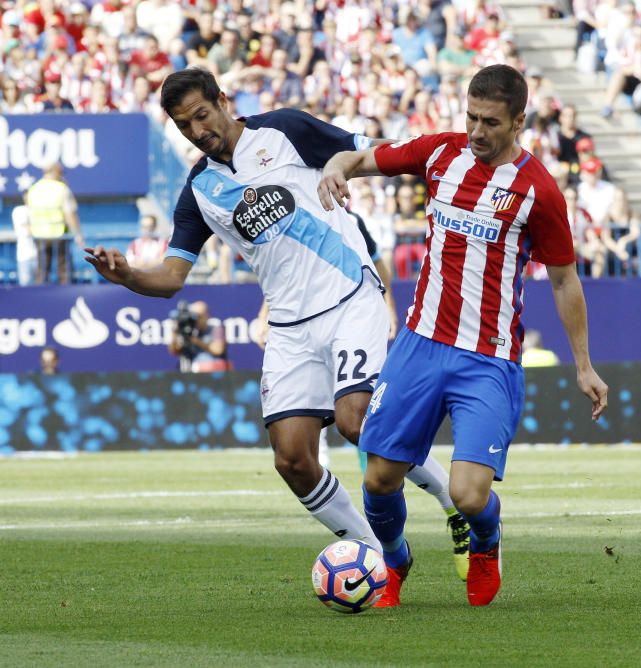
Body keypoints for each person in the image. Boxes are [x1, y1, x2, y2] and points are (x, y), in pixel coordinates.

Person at [84, 68, 470, 579]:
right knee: (292, 460)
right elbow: (172, 276)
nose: (197, 130)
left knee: (358, 422)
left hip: (349, 295)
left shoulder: (283, 129)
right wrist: (128, 274)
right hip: (289, 324)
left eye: (202, 115)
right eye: (184, 126)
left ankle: (453, 506)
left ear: (223, 101)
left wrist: (407, 165)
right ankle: (376, 552)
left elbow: (368, 149)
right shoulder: (199, 190)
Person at [318, 64, 608, 608]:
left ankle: (486, 540)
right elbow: (361, 158)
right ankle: (394, 561)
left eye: (490, 122)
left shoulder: (538, 191)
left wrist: (584, 365)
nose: (476, 131)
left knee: (468, 494)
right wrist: (338, 165)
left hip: (488, 359)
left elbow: (566, 280)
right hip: (419, 345)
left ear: (519, 120)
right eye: (471, 117)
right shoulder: (439, 153)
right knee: (379, 479)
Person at [26, 163, 83, 285]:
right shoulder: (61, 189)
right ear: (57, 172)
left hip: (39, 235)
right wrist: (78, 234)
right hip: (59, 234)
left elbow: (29, 213)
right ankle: (66, 297)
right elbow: (69, 214)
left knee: (42, 270)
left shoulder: (34, 189)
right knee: (64, 269)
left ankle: (39, 297)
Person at [169, 299, 230, 373]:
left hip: (214, 374)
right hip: (194, 376)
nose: (196, 319)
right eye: (194, 316)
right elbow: (174, 351)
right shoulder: (189, 331)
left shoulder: (217, 329)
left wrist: (195, 340)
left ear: (207, 315)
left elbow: (218, 350)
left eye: (199, 316)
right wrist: (175, 333)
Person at [11, 200, 38, 286]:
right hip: (25, 256)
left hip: (41, 256)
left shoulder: (41, 210)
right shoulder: (19, 211)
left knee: (41, 287)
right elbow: (26, 230)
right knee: (25, 286)